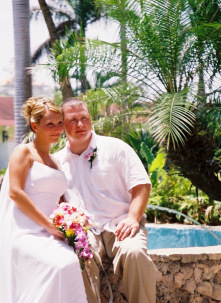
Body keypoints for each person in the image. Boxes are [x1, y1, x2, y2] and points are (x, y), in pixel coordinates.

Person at [0, 97, 88, 303]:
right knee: (61, 264)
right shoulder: (23, 152)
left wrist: (72, 225)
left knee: (70, 262)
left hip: (49, 234)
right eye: (49, 124)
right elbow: (15, 192)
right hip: (23, 232)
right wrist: (48, 224)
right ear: (34, 126)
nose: (57, 129)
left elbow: (59, 199)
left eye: (59, 123)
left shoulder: (55, 160)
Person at [55, 98, 157, 303]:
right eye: (73, 120)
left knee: (135, 253)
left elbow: (142, 184)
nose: (80, 125)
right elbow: (57, 203)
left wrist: (133, 218)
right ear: (62, 124)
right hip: (86, 231)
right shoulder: (57, 162)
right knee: (77, 258)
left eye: (84, 118)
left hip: (121, 225)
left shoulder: (116, 148)